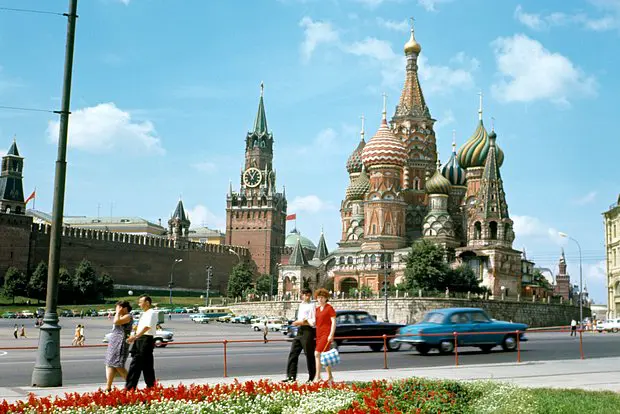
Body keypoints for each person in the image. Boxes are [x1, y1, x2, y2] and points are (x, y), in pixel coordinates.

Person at [282, 288, 316, 383]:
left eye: (308, 295)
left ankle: (312, 377)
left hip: (308, 330)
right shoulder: (301, 305)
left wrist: (302, 322)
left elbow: (313, 321)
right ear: (302, 295)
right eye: (305, 295)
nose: (307, 297)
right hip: (300, 330)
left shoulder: (312, 305)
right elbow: (300, 318)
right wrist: (297, 322)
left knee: (309, 354)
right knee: (293, 353)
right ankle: (291, 376)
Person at [125, 295, 158, 390]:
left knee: (136, 364)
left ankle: (130, 388)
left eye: (140, 302)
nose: (139, 304)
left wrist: (135, 337)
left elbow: (147, 327)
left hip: (145, 340)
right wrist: (134, 336)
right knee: (147, 365)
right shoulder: (144, 313)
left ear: (147, 302)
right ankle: (151, 387)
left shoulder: (151, 313)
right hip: (140, 339)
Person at [104, 300, 133, 392]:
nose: (117, 309)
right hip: (114, 342)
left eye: (119, 307)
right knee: (110, 363)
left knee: (118, 364)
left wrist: (117, 313)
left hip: (121, 342)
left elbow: (116, 322)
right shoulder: (120, 315)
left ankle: (131, 385)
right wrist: (118, 313)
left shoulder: (128, 316)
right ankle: (108, 387)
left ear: (125, 308)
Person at [313, 288, 336, 383]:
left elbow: (333, 322)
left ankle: (317, 376)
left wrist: (331, 334)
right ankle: (330, 376)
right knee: (325, 356)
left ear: (326, 298)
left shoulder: (329, 308)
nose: (320, 299)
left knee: (317, 353)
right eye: (319, 297)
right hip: (318, 333)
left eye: (322, 297)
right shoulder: (317, 309)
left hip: (326, 334)